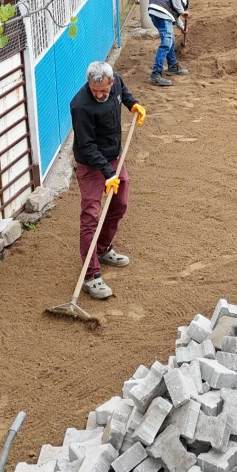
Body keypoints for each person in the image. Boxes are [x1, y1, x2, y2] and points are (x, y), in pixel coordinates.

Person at [69, 61, 146, 299]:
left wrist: (133, 105)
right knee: (91, 214)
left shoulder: (116, 82)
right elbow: (87, 145)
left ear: (110, 82)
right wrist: (107, 172)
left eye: (104, 90)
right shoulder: (80, 106)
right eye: (95, 91)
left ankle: (102, 249)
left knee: (120, 203)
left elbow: (123, 93)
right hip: (91, 164)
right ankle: (91, 275)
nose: (100, 95)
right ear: (89, 84)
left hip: (114, 157)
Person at [147, 0, 196, 87]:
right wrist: (183, 11)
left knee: (170, 39)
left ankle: (173, 66)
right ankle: (155, 74)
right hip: (161, 11)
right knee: (166, 42)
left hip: (157, 10)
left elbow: (173, 12)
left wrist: (182, 27)